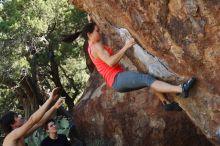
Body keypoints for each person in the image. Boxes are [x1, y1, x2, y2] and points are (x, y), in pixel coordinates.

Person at [62, 15, 196, 110]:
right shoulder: (96, 47)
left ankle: (166, 102)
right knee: (147, 78)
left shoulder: (92, 45)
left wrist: (90, 20)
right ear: (89, 35)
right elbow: (110, 62)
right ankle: (181, 89)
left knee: (147, 78)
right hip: (117, 79)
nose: (100, 32)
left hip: (116, 81)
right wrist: (126, 46)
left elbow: (94, 37)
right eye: (97, 31)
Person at [0, 87, 65, 146]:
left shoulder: (20, 135)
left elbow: (39, 122)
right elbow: (32, 120)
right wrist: (50, 99)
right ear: (12, 124)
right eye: (16, 116)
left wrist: (54, 107)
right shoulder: (11, 136)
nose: (20, 116)